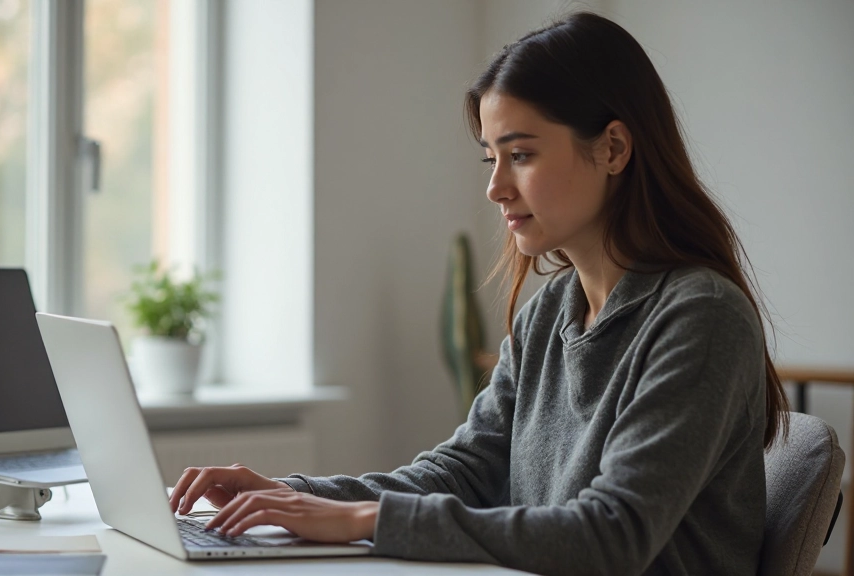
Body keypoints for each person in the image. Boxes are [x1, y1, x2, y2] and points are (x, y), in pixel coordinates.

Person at [169, 11, 787, 575]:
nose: (496, 188)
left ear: (613, 148)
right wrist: (294, 497)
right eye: (491, 158)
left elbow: (612, 535)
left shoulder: (701, 317)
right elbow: (463, 472)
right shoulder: (550, 312)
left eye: (521, 154)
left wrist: (364, 520)